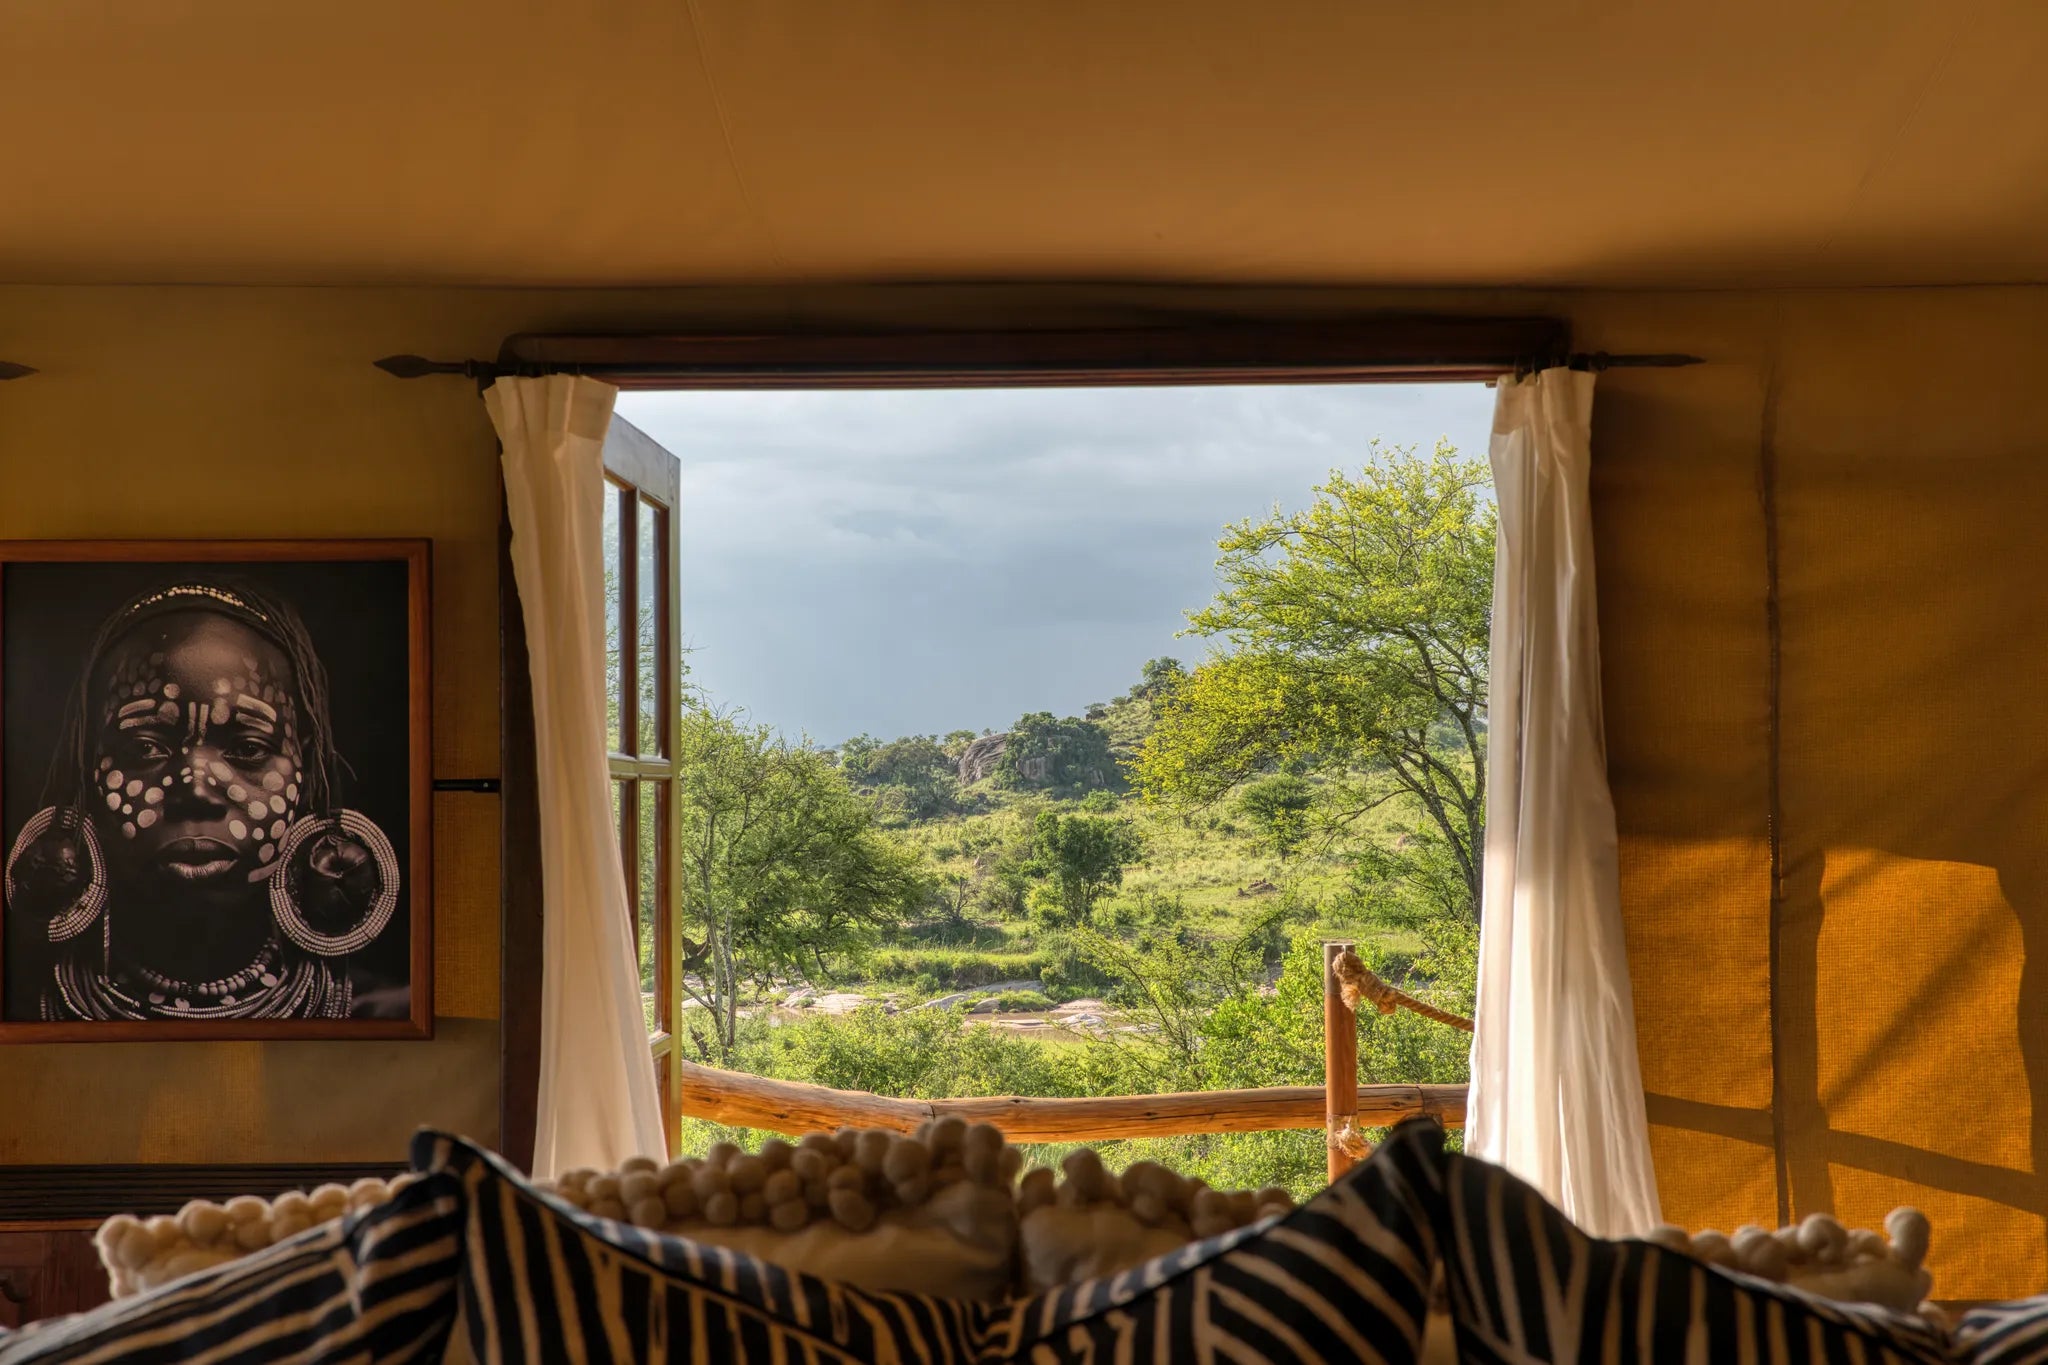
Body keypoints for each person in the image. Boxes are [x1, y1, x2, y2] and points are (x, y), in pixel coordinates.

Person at [2, 579, 401, 1021]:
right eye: (144, 748)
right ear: (89, 768)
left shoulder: (381, 1018)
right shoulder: (21, 1014)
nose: (193, 789)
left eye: (248, 749)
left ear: (302, 768)